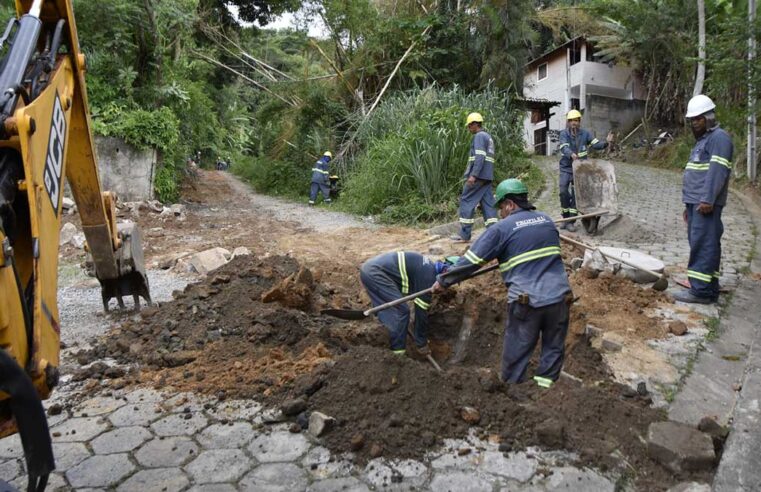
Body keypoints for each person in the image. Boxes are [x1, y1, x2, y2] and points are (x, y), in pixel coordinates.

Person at [434, 179, 572, 388]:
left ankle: (511, 394)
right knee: (553, 348)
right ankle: (545, 393)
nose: (500, 213)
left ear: (510, 204)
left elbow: (472, 261)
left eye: (501, 207)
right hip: (559, 297)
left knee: (517, 351)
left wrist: (444, 281)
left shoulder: (503, 228)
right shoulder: (546, 221)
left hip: (528, 301)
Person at [673, 94, 733, 304]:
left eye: (698, 119)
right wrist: (688, 205)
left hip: (705, 205)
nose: (694, 123)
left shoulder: (719, 138)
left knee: (703, 244)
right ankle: (708, 287)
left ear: (709, 118)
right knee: (701, 243)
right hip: (695, 203)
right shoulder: (703, 141)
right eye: (692, 120)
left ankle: (700, 292)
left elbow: (717, 171)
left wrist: (707, 199)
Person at [360, 252, 456, 355]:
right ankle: (397, 354)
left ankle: (387, 333)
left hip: (371, 269)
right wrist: (421, 343)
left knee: (391, 308)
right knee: (401, 311)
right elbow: (421, 313)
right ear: (446, 271)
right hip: (375, 273)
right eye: (450, 282)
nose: (448, 286)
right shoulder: (428, 277)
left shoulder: (428, 268)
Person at [557, 110, 613, 231]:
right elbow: (563, 146)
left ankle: (571, 221)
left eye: (576, 120)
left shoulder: (585, 134)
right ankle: (564, 217)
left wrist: (606, 143)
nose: (574, 123)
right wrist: (570, 154)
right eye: (571, 121)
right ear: (568, 122)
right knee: (563, 191)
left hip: (580, 170)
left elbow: (596, 144)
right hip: (566, 168)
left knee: (576, 194)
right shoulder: (563, 134)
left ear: (579, 122)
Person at [451, 112, 498, 242]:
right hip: (487, 176)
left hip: (478, 176)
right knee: (488, 203)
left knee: (466, 200)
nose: (468, 128)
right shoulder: (488, 137)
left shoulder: (479, 136)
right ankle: (494, 233)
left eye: (469, 126)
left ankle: (464, 234)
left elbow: (480, 157)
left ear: (474, 124)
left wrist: (473, 175)